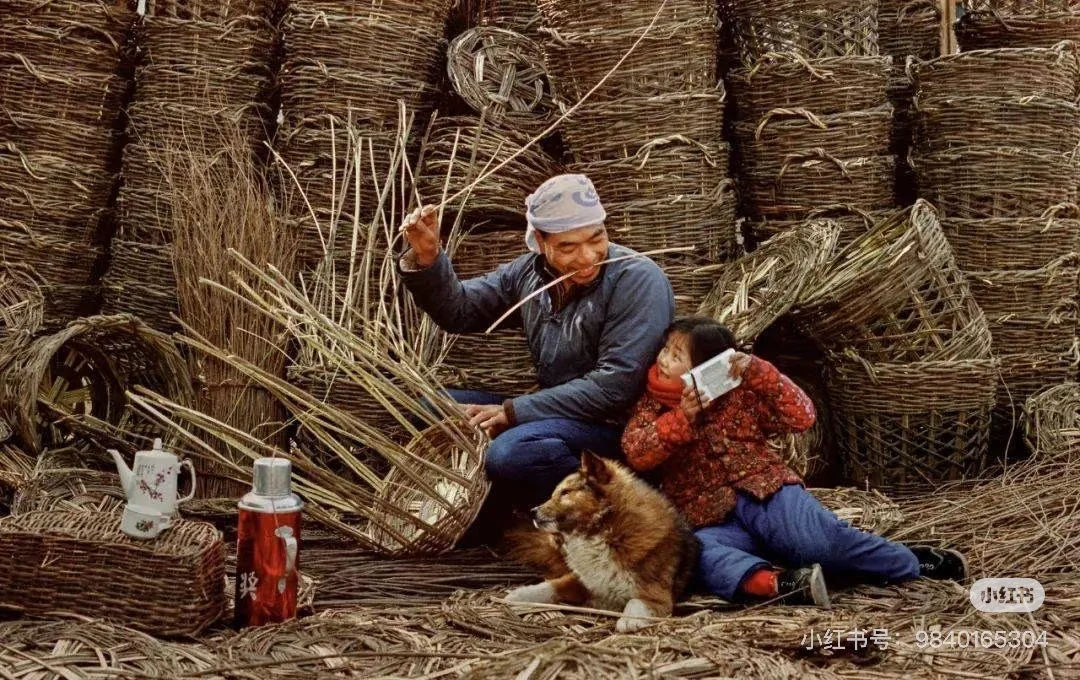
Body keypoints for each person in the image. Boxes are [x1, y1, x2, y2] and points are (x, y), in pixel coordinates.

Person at [621, 316, 968, 607]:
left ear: (704, 368)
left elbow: (801, 416)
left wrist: (760, 371)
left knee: (817, 543)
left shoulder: (740, 394)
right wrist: (682, 418)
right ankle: (784, 584)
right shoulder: (651, 407)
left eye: (676, 354)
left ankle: (908, 562)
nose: (663, 359)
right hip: (708, 515)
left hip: (766, 492)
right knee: (700, 557)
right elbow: (637, 451)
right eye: (665, 349)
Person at [398, 174, 675, 500]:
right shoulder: (529, 273)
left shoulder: (637, 279)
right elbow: (459, 311)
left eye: (596, 238)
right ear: (540, 243)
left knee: (511, 453)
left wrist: (514, 413)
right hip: (552, 414)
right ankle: (504, 499)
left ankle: (605, 503)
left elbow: (615, 387)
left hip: (618, 429)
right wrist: (429, 258)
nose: (587, 257)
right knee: (428, 409)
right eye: (568, 247)